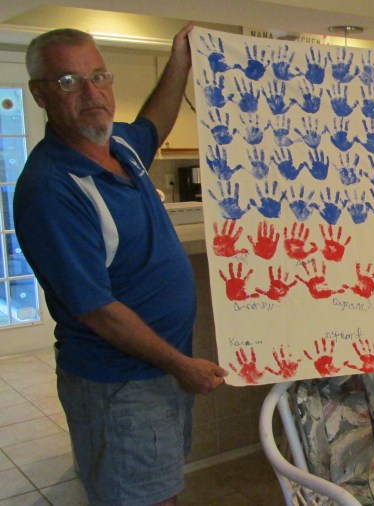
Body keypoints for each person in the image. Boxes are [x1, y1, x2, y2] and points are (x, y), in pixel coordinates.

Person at [14, 25, 228, 506]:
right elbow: (97, 309)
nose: (91, 93)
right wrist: (181, 365)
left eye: (98, 76)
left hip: (157, 375)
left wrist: (180, 62)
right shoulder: (51, 188)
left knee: (160, 491)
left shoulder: (122, 147)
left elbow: (156, 120)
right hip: (119, 386)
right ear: (40, 95)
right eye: (69, 81)